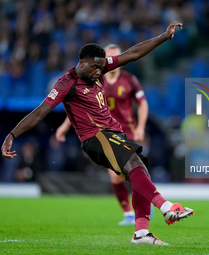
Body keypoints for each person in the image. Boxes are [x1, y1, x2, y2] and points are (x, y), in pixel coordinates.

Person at [2, 21, 194, 245]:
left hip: (114, 134)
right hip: (96, 137)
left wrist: (163, 36)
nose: (98, 72)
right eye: (94, 67)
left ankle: (141, 233)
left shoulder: (99, 66)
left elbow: (132, 54)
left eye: (101, 67)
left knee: (140, 171)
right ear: (82, 63)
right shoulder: (66, 83)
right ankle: (167, 207)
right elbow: (39, 113)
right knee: (134, 163)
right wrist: (11, 135)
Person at [55, 44, 149, 226]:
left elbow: (143, 103)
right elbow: (80, 107)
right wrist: (64, 126)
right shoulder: (94, 79)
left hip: (127, 131)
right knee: (116, 175)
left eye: (115, 56)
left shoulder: (129, 80)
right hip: (104, 133)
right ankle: (129, 213)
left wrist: (141, 127)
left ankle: (145, 198)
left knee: (137, 170)